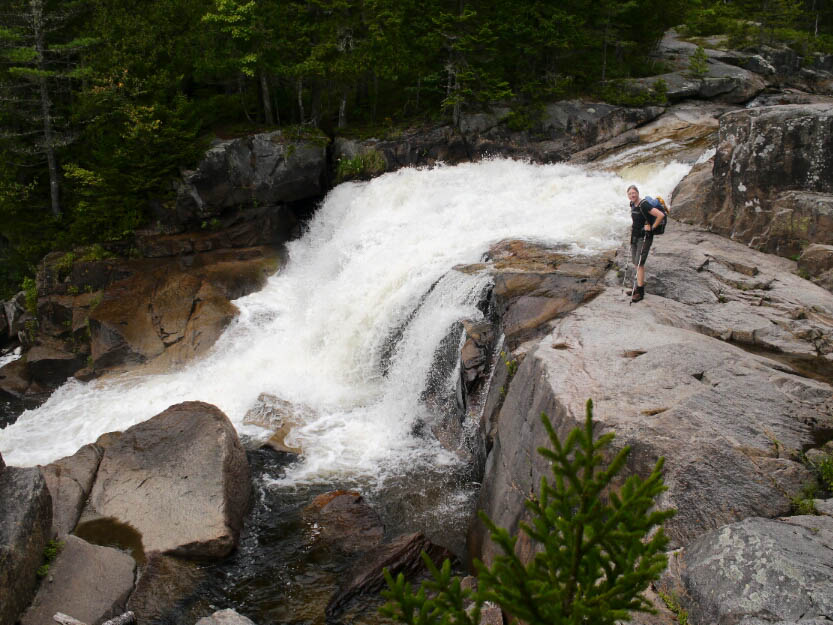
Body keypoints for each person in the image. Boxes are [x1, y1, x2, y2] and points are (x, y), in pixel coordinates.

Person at [627, 184, 665, 303]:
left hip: (644, 237)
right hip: (635, 237)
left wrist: (652, 228)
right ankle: (637, 287)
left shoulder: (644, 204)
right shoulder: (632, 204)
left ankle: (640, 291)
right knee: (635, 262)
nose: (632, 195)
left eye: (634, 193)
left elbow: (660, 215)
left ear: (637, 193)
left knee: (640, 263)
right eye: (630, 194)